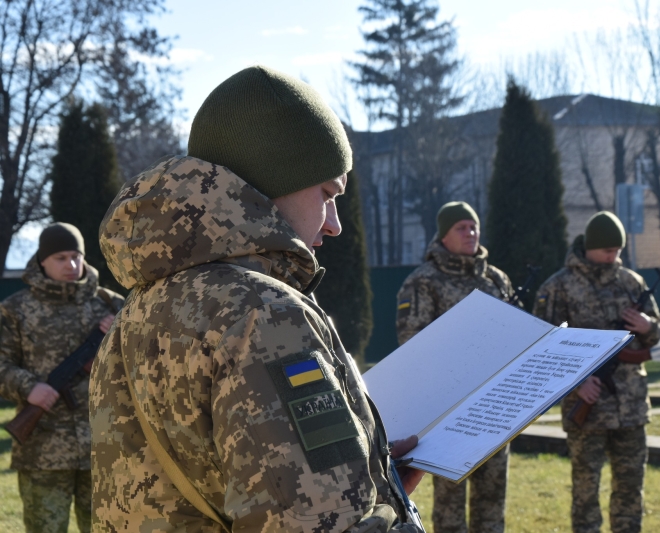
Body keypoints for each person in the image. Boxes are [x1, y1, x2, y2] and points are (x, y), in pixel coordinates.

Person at [89, 66, 423, 533]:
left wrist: (367, 476)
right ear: (275, 179)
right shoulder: (264, 314)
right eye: (327, 194)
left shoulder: (136, 314)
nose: (335, 224)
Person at [532, 211, 660, 533]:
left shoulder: (633, 282)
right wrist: (575, 384)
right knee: (586, 494)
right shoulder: (559, 287)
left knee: (631, 491)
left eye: (618, 249)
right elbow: (541, 348)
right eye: (607, 249)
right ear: (590, 246)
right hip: (588, 411)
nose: (614, 256)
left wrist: (648, 326)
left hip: (631, 407)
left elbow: (654, 334)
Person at [395, 201, 513, 533]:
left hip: (497, 406)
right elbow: (412, 345)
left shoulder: (496, 279)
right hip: (450, 410)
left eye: (473, 226)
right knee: (450, 504)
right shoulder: (423, 282)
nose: (470, 233)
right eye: (461, 227)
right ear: (443, 235)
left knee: (492, 500)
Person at [0, 223, 122, 533]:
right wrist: (29, 388)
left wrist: (117, 339)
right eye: (60, 258)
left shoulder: (111, 305)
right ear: (42, 260)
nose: (71, 265)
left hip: (105, 448)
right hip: (43, 452)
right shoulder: (15, 310)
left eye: (75, 256)